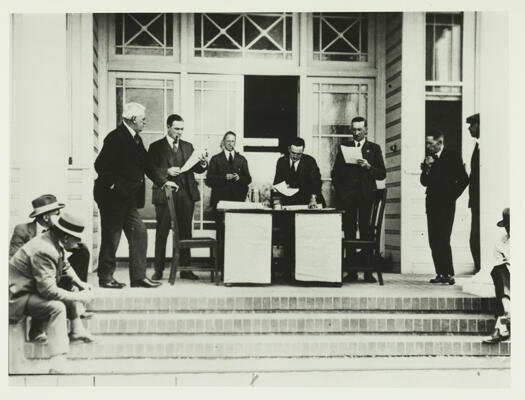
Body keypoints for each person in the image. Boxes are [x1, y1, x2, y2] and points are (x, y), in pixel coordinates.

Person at [94, 102, 177, 288]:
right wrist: (115, 186)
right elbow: (100, 166)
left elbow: (148, 165)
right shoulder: (116, 138)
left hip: (127, 199)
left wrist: (164, 182)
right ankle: (106, 278)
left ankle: (138, 278)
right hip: (112, 197)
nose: (145, 122)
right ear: (133, 120)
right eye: (143, 119)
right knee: (111, 236)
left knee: (139, 232)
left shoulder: (136, 140)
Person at [9, 212, 95, 373]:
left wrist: (80, 283)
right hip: (17, 297)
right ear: (66, 238)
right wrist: (80, 297)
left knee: (65, 291)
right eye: (77, 239)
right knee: (57, 307)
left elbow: (65, 266)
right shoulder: (45, 249)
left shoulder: (53, 241)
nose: (78, 244)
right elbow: (48, 291)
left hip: (28, 289)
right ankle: (58, 359)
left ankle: (76, 331)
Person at [9, 194, 91, 343]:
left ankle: (76, 327)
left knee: (81, 252)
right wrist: (78, 296)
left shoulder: (55, 236)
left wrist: (80, 283)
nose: (59, 217)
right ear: (47, 217)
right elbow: (14, 257)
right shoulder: (25, 231)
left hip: (46, 274)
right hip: (27, 282)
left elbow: (64, 263)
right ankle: (38, 330)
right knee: (55, 299)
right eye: (57, 213)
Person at [148, 114, 208, 281]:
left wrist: (203, 163)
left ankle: (185, 269)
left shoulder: (188, 147)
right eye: (176, 129)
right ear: (168, 127)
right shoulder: (156, 147)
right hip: (165, 195)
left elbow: (198, 169)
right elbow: (150, 169)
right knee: (162, 233)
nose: (179, 132)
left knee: (185, 233)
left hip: (185, 195)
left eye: (182, 129)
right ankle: (158, 270)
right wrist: (166, 172)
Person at [331, 116, 386, 283]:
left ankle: (368, 272)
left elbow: (382, 173)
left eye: (359, 130)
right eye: (353, 130)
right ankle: (351, 271)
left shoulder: (374, 149)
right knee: (348, 231)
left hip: (366, 197)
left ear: (366, 130)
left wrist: (369, 167)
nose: (356, 133)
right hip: (348, 198)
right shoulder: (344, 148)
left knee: (366, 232)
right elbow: (335, 174)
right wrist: (342, 194)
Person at [420, 128, 469, 285]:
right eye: (427, 143)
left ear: (439, 142)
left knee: (443, 238)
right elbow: (424, 182)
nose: (428, 146)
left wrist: (451, 196)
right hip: (432, 204)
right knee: (433, 239)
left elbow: (464, 179)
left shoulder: (452, 156)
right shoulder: (429, 158)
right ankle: (440, 273)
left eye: (430, 143)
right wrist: (426, 168)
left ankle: (448, 273)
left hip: (446, 205)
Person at [483, 208, 510, 343]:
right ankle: (507, 307)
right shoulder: (501, 243)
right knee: (497, 270)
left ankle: (501, 329)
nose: (510, 230)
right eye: (508, 226)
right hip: (510, 282)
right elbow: (500, 266)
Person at [273, 137, 325, 208]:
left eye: (299, 154)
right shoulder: (282, 162)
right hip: (289, 202)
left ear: (303, 151)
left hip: (308, 201)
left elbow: (316, 181)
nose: (295, 156)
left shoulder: (310, 161)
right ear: (289, 149)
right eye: (293, 153)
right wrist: (281, 190)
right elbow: (277, 182)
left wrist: (313, 198)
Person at [206, 131, 252, 210]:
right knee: (220, 222)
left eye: (232, 141)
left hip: (238, 201)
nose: (230, 144)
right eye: (228, 141)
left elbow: (248, 179)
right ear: (223, 142)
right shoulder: (215, 159)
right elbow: (209, 180)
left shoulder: (242, 159)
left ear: (235, 142)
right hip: (219, 201)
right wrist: (224, 177)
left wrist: (239, 178)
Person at [466, 113, 480, 274]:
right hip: (475, 201)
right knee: (474, 237)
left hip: (482, 201)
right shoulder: (477, 145)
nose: (470, 129)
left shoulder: (485, 146)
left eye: (472, 125)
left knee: (476, 237)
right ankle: (478, 267)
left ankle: (481, 268)